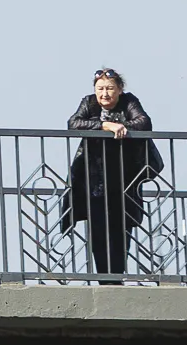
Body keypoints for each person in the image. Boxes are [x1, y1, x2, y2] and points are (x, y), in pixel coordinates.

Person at [59, 68, 162, 279]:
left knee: (122, 228)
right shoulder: (89, 103)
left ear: (120, 90)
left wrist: (120, 126)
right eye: (100, 89)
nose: (104, 94)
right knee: (97, 230)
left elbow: (144, 122)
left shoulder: (129, 102)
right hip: (94, 179)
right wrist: (104, 125)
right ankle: (104, 278)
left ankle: (117, 276)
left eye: (109, 89)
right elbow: (73, 123)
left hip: (124, 179)